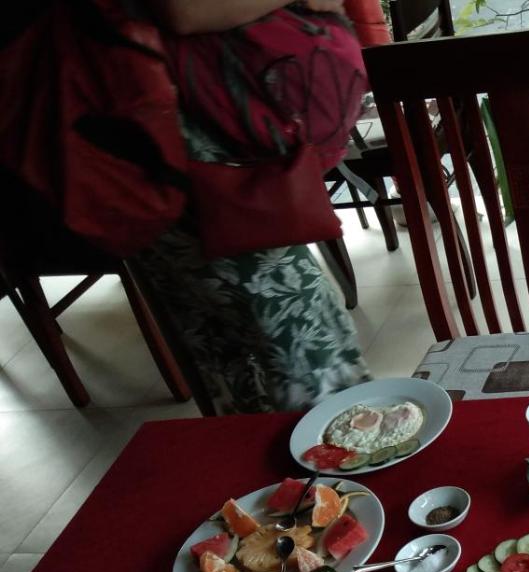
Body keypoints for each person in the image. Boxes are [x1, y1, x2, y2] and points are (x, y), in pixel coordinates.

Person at [129, 0, 374, 414]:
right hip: (184, 151)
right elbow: (183, 10)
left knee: (239, 352)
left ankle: (277, 448)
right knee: (302, 345)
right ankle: (327, 449)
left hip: (191, 144)